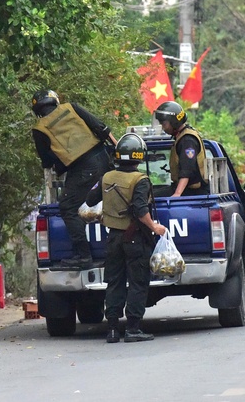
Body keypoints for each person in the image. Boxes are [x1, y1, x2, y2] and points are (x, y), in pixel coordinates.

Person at [85, 133, 166, 343]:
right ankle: (132, 329)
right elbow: (140, 209)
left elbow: (90, 199)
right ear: (139, 157)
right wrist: (154, 227)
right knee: (138, 283)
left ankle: (112, 329)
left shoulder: (106, 177)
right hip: (135, 239)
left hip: (113, 239)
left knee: (114, 282)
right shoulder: (140, 180)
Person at [31, 89, 114, 268]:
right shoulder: (71, 108)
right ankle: (115, 251)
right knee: (112, 199)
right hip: (103, 159)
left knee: (68, 207)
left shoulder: (39, 129)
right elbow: (102, 128)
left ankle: (83, 256)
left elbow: (47, 160)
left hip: (83, 169)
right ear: (55, 101)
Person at [153, 101, 209, 197]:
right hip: (188, 191)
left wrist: (177, 194)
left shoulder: (187, 140)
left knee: (149, 198)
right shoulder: (182, 136)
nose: (163, 128)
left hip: (192, 193)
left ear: (174, 122)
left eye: (164, 124)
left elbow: (187, 169)